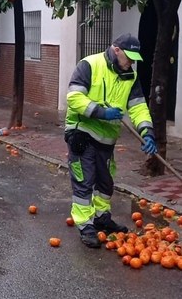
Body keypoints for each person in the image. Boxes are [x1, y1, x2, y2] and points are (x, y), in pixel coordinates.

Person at [64, 33, 157, 248]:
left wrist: (147, 133)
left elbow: (138, 108)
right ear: (116, 50)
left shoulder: (130, 76)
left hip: (106, 140)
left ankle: (101, 218)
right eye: (129, 56)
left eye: (135, 58)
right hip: (82, 133)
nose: (131, 62)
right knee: (85, 181)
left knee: (105, 182)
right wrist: (101, 112)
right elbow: (74, 97)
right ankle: (86, 225)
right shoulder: (89, 65)